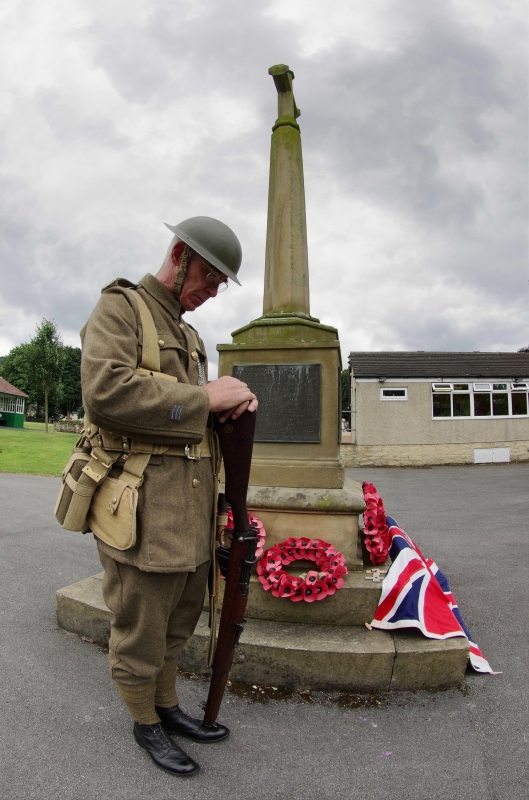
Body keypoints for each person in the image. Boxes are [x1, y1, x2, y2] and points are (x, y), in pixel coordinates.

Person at [80, 216, 258, 777]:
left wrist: (228, 414)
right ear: (179, 254)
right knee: (140, 626)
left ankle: (167, 706)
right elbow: (106, 392)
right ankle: (145, 722)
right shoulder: (122, 308)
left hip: (193, 510)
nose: (211, 290)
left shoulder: (188, 333)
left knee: (179, 622)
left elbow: (195, 422)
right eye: (209, 275)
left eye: (220, 283)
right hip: (143, 508)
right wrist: (206, 397)